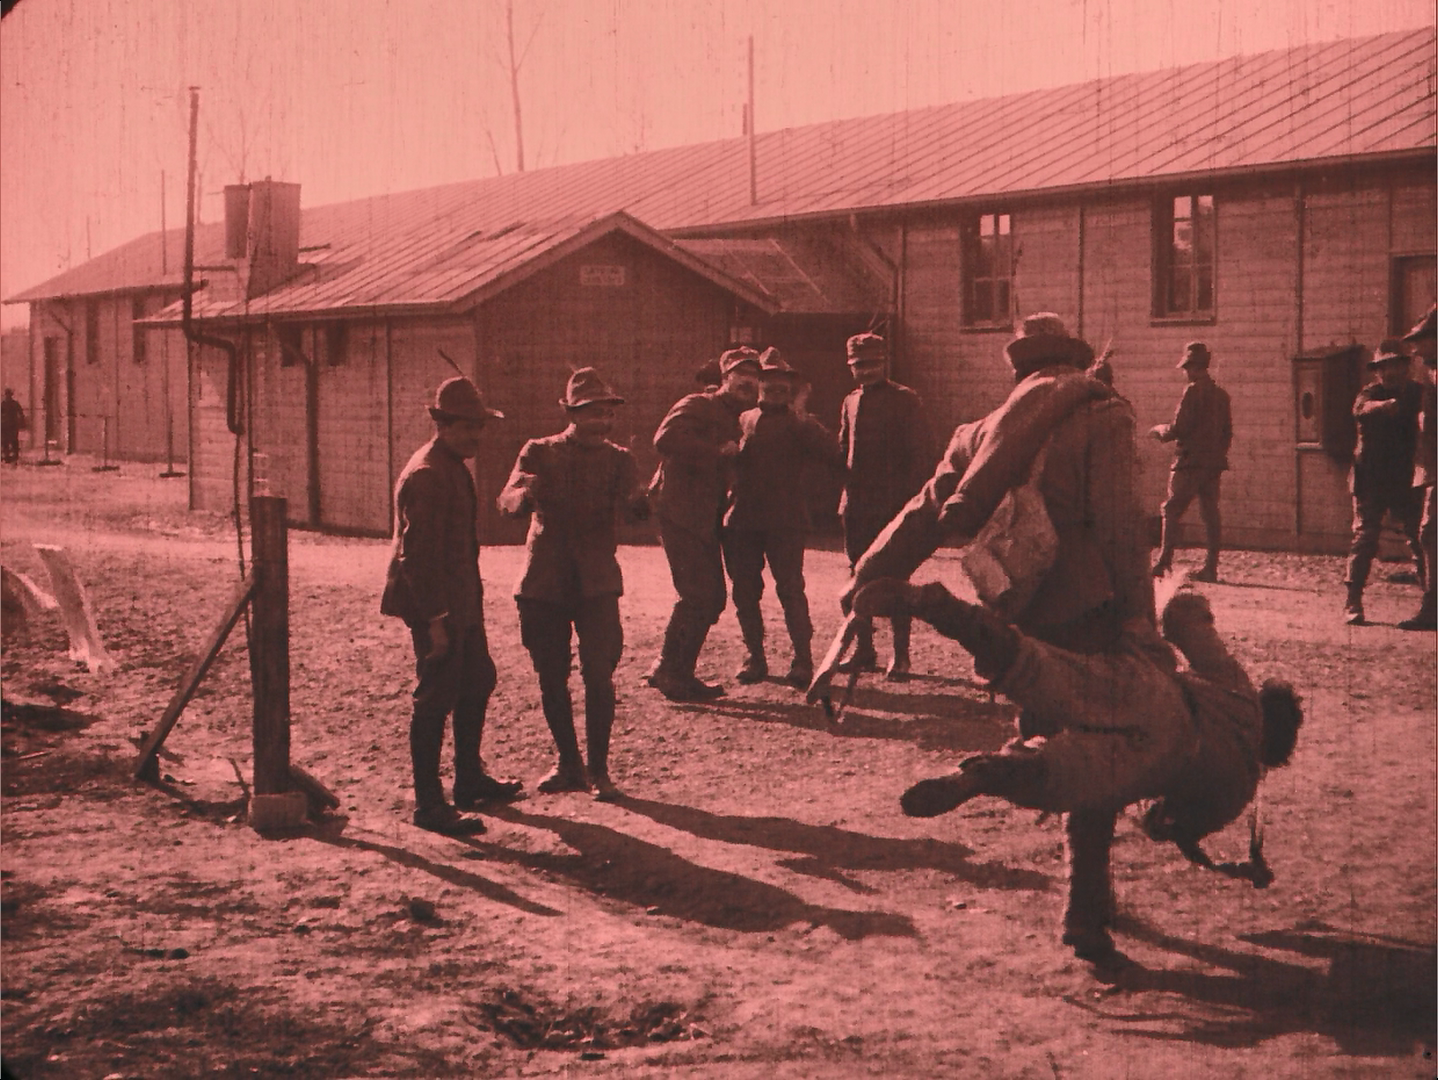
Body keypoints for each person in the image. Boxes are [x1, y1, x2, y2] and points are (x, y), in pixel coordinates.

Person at [839, 311, 1156, 960]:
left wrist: (866, 578)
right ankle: (1086, 911)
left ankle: (1003, 780)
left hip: (1018, 610)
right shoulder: (1105, 414)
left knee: (1046, 740)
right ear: (1076, 362)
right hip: (1091, 610)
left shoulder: (984, 430)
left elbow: (925, 509)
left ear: (1019, 369)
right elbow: (1122, 527)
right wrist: (1139, 617)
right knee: (1099, 750)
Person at [853, 578, 1302, 960]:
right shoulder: (1239, 789)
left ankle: (946, 610)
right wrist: (1204, 847)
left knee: (1041, 670)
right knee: (1069, 780)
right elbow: (1165, 827)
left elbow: (1182, 615)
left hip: (1157, 694)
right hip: (1165, 759)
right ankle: (989, 775)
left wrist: (1181, 587)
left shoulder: (1237, 687)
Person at [498, 368, 650, 801]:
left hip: (597, 582)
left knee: (599, 675)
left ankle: (599, 771)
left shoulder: (620, 460)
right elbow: (506, 501)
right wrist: (524, 496)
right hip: (544, 581)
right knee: (551, 676)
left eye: (607, 413)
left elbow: (635, 512)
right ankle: (569, 762)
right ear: (571, 413)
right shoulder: (539, 451)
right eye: (591, 412)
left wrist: (643, 502)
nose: (602, 421)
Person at [381, 375, 523, 835]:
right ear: (442, 425)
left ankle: (468, 779)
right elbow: (418, 559)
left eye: (479, 426)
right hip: (434, 605)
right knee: (435, 696)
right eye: (466, 427)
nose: (475, 435)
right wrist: (437, 622)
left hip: (460, 600)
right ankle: (428, 805)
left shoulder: (452, 465)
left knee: (477, 679)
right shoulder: (428, 473)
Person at [647, 347, 762, 701]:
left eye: (754, 376)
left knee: (709, 597)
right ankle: (673, 673)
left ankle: (667, 666)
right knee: (700, 594)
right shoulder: (698, 404)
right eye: (740, 374)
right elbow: (664, 439)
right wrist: (715, 451)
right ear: (725, 377)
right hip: (680, 511)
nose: (748, 381)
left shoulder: (741, 417)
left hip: (705, 516)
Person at [723, 348, 838, 688]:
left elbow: (833, 453)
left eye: (783, 382)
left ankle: (803, 659)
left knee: (790, 589)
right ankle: (754, 657)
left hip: (785, 520)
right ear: (758, 383)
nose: (775, 387)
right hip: (743, 520)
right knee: (745, 591)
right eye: (768, 380)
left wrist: (802, 415)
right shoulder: (742, 419)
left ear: (792, 387)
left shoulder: (801, 423)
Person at [837, 332, 931, 679]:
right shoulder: (850, 401)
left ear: (885, 363)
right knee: (857, 576)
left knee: (894, 578)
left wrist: (909, 503)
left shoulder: (905, 400)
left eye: (873, 364)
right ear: (851, 367)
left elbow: (921, 455)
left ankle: (901, 656)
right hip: (856, 506)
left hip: (892, 506)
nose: (866, 371)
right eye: (859, 365)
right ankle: (864, 650)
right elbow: (842, 449)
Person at [1343, 339, 1425, 625]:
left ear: (1405, 367)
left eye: (1396, 366)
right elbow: (1361, 409)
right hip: (1371, 478)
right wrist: (1383, 406)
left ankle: (1431, 603)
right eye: (1384, 367)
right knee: (1365, 538)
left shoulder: (1418, 393)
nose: (1390, 373)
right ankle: (1353, 601)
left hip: (1406, 477)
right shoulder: (1370, 393)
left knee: (1420, 538)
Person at [1150, 342, 1232, 583]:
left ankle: (1163, 562)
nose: (1186, 373)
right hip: (1213, 464)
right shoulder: (1221, 395)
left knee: (1171, 510)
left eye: (1187, 368)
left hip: (1188, 463)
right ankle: (1211, 567)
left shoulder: (1192, 391)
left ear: (1194, 367)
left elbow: (1180, 428)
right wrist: (1216, 454)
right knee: (1210, 513)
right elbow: (1227, 433)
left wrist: (1160, 431)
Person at [1399, 306, 1437, 631]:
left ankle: (1433, 607)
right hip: (1432, 468)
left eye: (1420, 340)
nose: (1415, 350)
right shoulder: (1431, 374)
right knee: (1429, 533)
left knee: (1430, 532)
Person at [1, 388, 25, 464]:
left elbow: (21, 413)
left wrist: (21, 421)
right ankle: (7, 456)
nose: (8, 396)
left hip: (12, 425)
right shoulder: (3, 404)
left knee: (13, 441)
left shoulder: (13, 404)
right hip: (5, 426)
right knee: (5, 441)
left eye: (9, 394)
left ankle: (14, 456)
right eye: (7, 394)